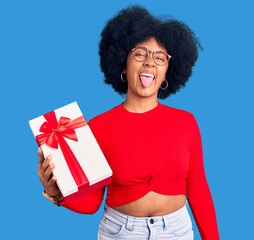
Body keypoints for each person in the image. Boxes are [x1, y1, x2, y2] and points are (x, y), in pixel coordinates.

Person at [37, 5, 220, 240]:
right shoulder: (98, 126)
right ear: (123, 64)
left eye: (160, 57)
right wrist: (57, 193)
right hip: (120, 232)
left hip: (178, 231)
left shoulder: (186, 122)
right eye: (140, 53)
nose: (150, 62)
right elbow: (92, 203)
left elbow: (198, 190)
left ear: (167, 71)